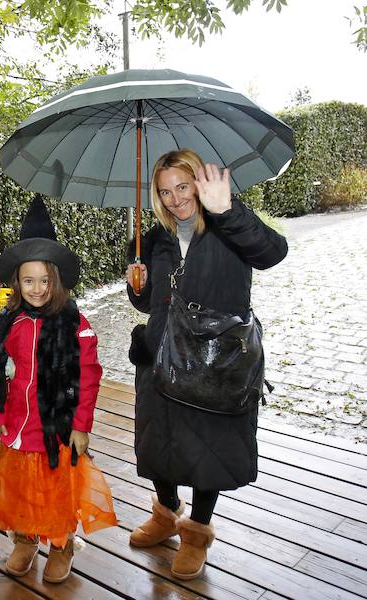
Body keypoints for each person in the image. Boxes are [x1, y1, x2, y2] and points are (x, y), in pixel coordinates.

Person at [125, 148, 288, 580]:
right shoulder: (153, 238)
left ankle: (196, 533)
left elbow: (274, 252)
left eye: (183, 186)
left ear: (200, 182)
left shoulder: (227, 224)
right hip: (161, 356)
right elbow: (152, 302)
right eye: (165, 191)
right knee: (159, 443)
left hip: (215, 360)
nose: (176, 199)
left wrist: (228, 210)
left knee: (206, 447)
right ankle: (165, 515)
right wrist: (137, 287)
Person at [0, 197, 117, 583]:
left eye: (44, 280)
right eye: (28, 280)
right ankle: (24, 539)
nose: (37, 288)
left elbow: (88, 376)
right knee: (20, 489)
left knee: (57, 493)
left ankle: (61, 544)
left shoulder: (75, 323)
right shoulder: (10, 321)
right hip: (19, 428)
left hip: (56, 430)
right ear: (17, 283)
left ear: (56, 279)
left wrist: (81, 426)